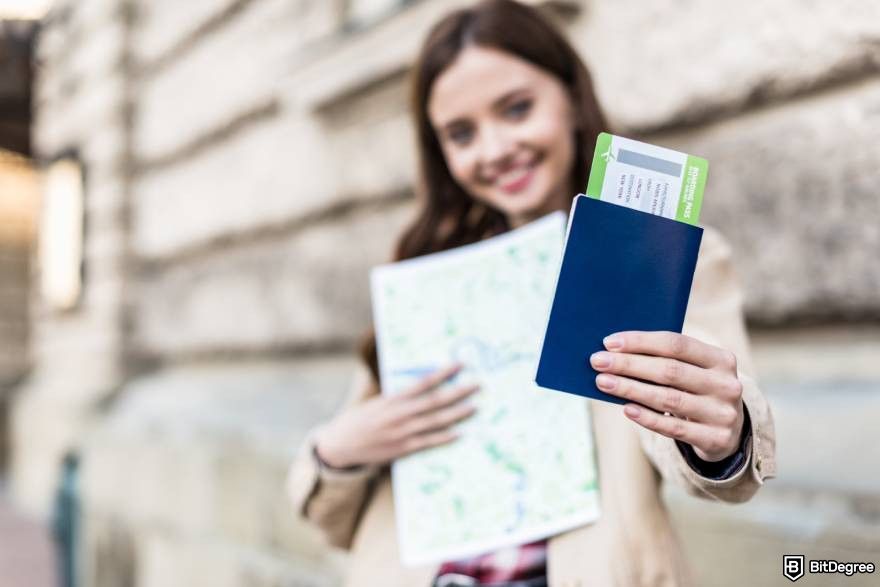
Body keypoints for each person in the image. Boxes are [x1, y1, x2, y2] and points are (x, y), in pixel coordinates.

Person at [287, 1, 776, 586]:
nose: (493, 149)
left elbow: (713, 451)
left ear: (570, 97)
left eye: (516, 109)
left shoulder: (660, 256)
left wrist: (722, 434)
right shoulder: (433, 278)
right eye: (461, 133)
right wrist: (336, 451)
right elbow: (329, 519)